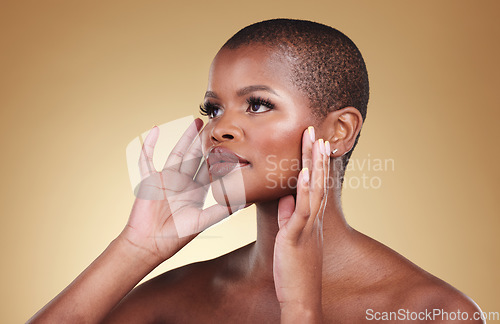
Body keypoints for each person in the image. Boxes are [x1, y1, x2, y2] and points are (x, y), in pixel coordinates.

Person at [29, 18, 483, 323]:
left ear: (340, 131)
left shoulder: (431, 311)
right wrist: (135, 249)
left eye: (258, 104)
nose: (220, 128)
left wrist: (301, 308)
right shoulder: (175, 300)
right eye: (212, 108)